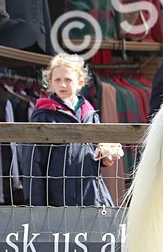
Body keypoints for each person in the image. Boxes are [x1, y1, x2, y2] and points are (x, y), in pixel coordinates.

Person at [23, 53, 119, 207]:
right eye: (57, 80)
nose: (63, 85)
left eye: (68, 80)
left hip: (91, 195)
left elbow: (95, 153)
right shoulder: (43, 115)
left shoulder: (90, 113)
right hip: (56, 200)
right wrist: (37, 207)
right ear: (50, 83)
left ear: (80, 82)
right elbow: (33, 164)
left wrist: (105, 157)